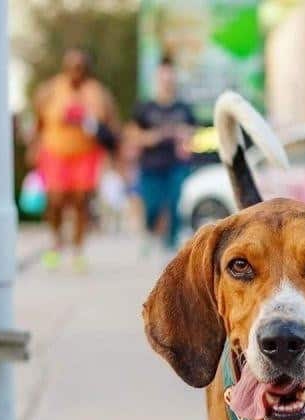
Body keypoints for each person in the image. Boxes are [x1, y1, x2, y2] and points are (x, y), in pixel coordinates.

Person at [30, 49, 119, 271]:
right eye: (71, 67)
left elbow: (110, 126)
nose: (75, 72)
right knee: (56, 200)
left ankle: (78, 249)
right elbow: (39, 121)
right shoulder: (51, 90)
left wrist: (111, 155)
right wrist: (34, 147)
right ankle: (57, 241)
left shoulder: (98, 93)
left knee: (81, 201)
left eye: (80, 67)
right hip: (55, 153)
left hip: (85, 155)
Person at [131, 57, 196, 251]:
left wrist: (186, 140)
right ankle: (150, 230)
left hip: (176, 166)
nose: (167, 80)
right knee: (152, 207)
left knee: (176, 203)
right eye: (163, 76)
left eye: (170, 76)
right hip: (151, 166)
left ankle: (171, 244)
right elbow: (133, 135)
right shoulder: (145, 108)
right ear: (157, 78)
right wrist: (155, 136)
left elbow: (194, 135)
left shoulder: (184, 108)